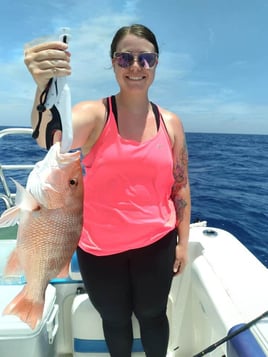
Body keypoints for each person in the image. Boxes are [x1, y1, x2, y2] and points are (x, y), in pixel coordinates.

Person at [24, 24, 191, 357]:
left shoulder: (170, 122)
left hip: (156, 244)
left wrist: (182, 243)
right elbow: (48, 139)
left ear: (156, 63)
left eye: (146, 58)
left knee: (153, 316)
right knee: (114, 321)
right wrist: (43, 88)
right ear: (113, 62)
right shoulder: (95, 114)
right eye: (125, 57)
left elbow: (180, 184)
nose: (135, 66)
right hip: (99, 250)